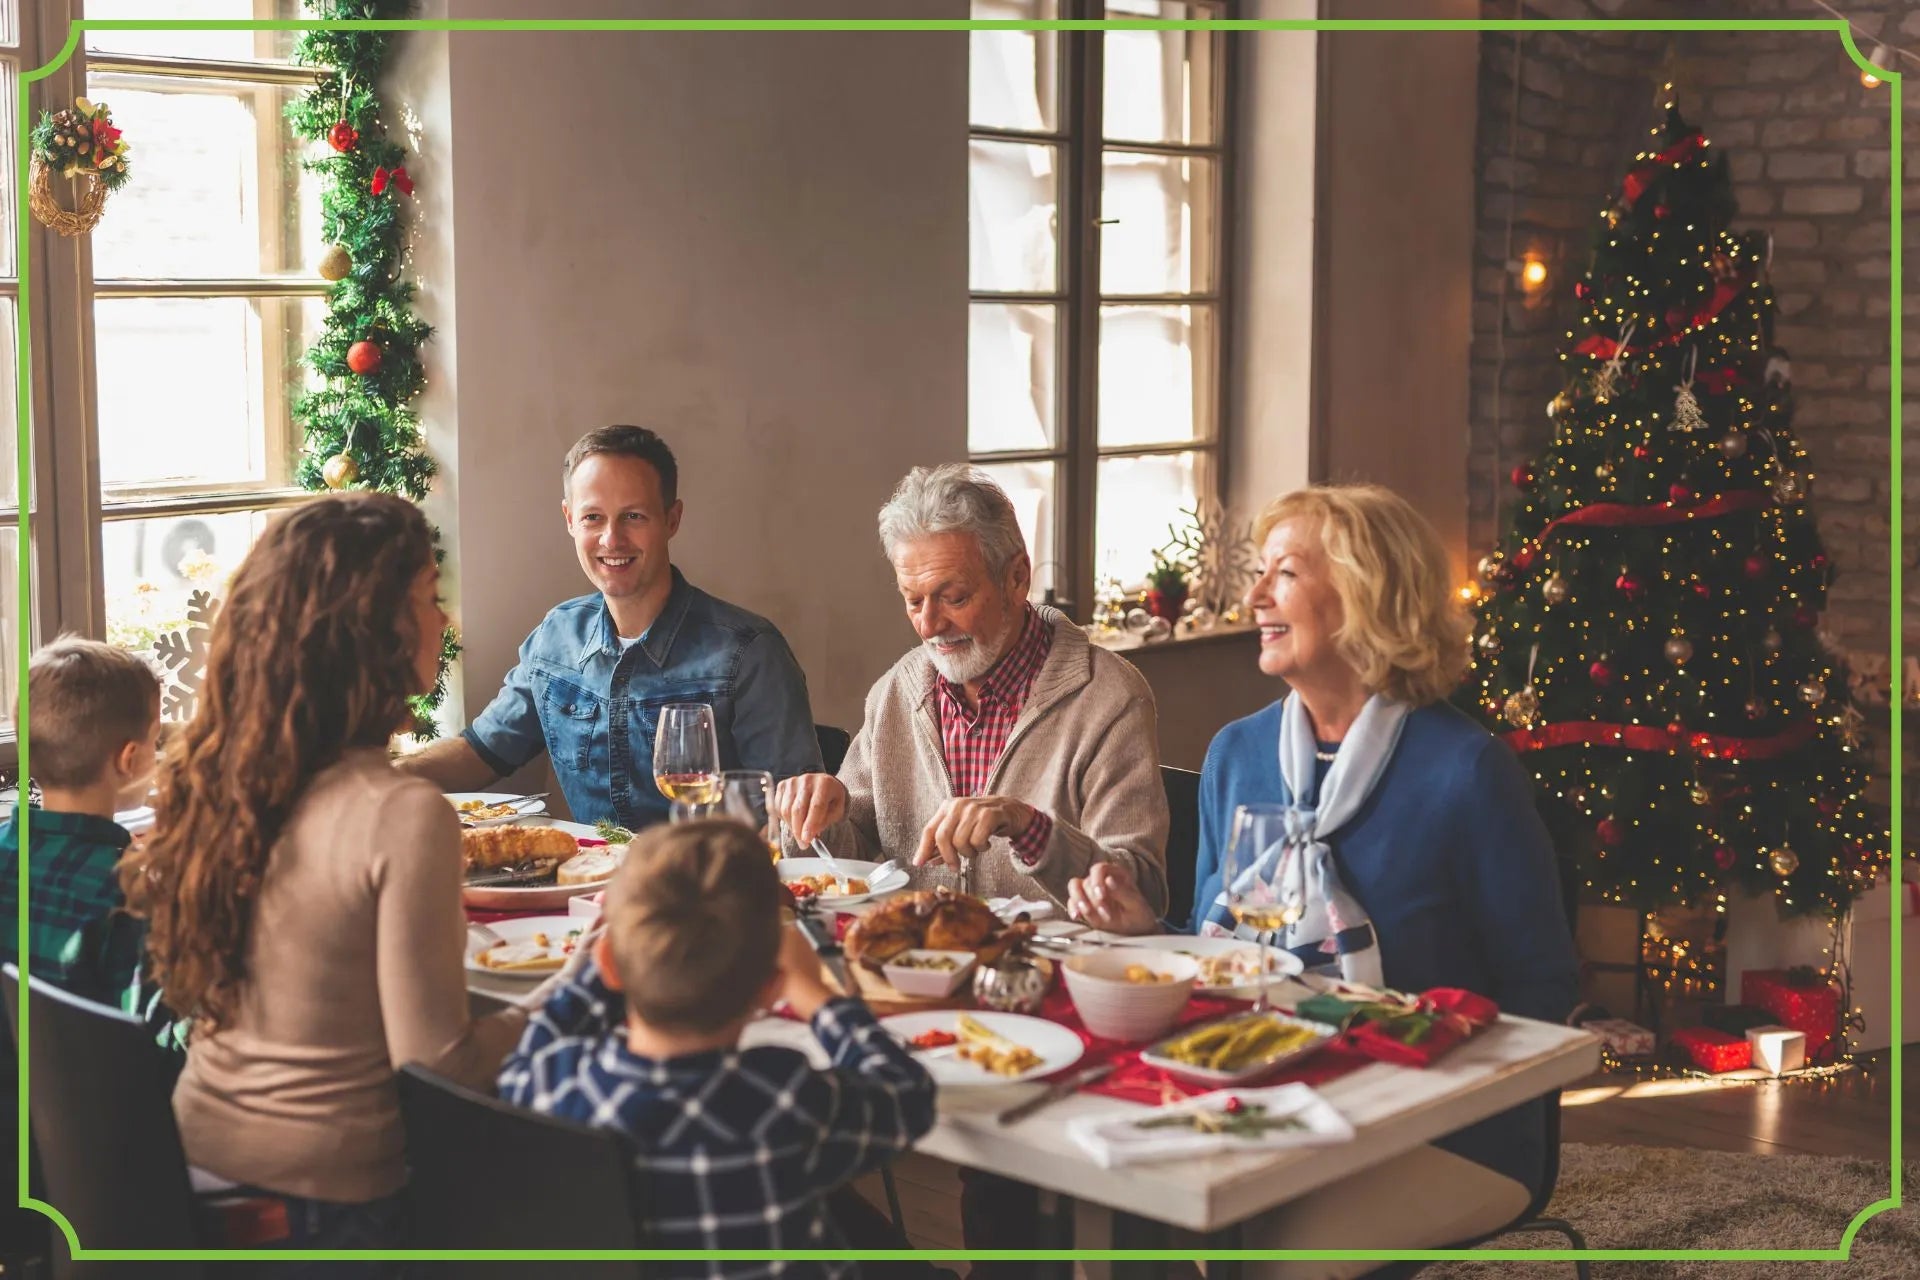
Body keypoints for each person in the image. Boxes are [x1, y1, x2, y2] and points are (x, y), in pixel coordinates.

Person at [1067, 483, 1581, 1276]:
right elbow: (1232, 961)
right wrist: (1149, 934)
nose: (1257, 595)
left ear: (1367, 596)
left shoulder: (1466, 769)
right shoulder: (1237, 756)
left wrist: (1395, 1072)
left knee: (1268, 1263)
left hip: (1438, 1126)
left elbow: (1541, 993)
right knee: (1119, 1213)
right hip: (1263, 1087)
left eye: (1287, 574)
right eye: (1261, 573)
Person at [121, 493, 568, 1267]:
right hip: (322, 1213)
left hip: (191, 1176)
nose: (445, 621)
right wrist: (590, 976)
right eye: (430, 596)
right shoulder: (400, 813)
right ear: (375, 630)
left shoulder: (228, 778)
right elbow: (442, 1067)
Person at [498, 818, 937, 1278]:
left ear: (609, 964)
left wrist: (610, 961)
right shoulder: (779, 1097)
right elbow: (907, 1095)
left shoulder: (550, 1084)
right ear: (770, 987)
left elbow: (543, 1031)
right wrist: (819, 997)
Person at [774, 463, 1169, 910]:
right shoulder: (896, 693)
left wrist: (1030, 829)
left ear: (1017, 578)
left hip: (1054, 970)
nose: (929, 625)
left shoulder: (1109, 698)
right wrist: (820, 815)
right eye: (913, 600)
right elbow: (847, 863)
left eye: (954, 597)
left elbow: (1144, 893)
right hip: (922, 966)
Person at [399, 425, 822, 827]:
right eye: (593, 518)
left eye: (634, 516)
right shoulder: (556, 638)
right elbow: (481, 751)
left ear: (671, 519)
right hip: (585, 891)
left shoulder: (749, 653)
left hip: (706, 891)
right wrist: (373, 777)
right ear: (569, 519)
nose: (611, 540)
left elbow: (791, 819)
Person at [0, 637, 160, 1011]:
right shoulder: (132, 897)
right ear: (129, 758)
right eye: (156, 739)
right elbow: (160, 1035)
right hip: (113, 1070)